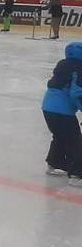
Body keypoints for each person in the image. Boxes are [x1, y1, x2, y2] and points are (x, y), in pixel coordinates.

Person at [40, 42, 82, 185]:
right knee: (74, 140)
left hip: (48, 107)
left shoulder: (63, 65)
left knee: (60, 136)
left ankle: (55, 163)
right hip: (61, 110)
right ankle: (77, 174)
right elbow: (76, 93)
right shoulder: (79, 69)